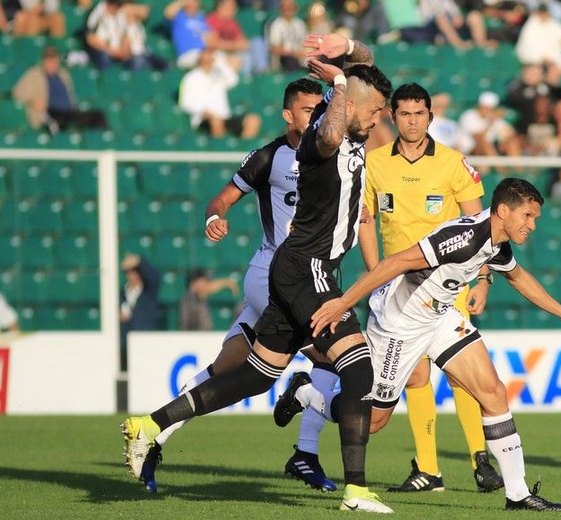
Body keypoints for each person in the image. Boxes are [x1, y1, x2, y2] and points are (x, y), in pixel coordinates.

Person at [121, 33, 396, 513]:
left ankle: (150, 424)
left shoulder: (354, 121)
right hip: (303, 271)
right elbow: (334, 127)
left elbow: (368, 80)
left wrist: (348, 48)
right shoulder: (322, 138)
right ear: (347, 105)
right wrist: (336, 83)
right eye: (373, 113)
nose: (378, 122)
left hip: (301, 270)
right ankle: (355, 488)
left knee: (252, 375)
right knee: (359, 368)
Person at [277, 177, 561, 511]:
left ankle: (518, 494)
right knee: (374, 421)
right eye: (527, 216)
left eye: (534, 218)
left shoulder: (496, 242)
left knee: (493, 392)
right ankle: (304, 392)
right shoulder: (463, 238)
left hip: (440, 317)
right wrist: (344, 303)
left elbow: (518, 277)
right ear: (503, 211)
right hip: (399, 323)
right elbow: (397, 262)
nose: (532, 225)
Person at [281, 82, 504, 493]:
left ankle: (480, 459)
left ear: (430, 117)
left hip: (446, 287)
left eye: (420, 114)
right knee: (415, 379)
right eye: (404, 114)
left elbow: (483, 226)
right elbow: (364, 220)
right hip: (398, 291)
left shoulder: (455, 163)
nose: (413, 121)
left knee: (461, 378)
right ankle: (429, 469)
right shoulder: (375, 163)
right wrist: (375, 275)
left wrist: (485, 278)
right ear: (392, 117)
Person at [134, 77, 333, 493]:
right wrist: (213, 218)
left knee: (224, 371)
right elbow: (221, 199)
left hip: (308, 278)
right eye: (306, 109)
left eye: (320, 109)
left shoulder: (334, 156)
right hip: (274, 277)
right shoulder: (269, 157)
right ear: (288, 114)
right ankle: (305, 444)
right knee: (337, 358)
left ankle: (152, 435)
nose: (314, 116)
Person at [12, 46, 109, 133]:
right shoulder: (34, 74)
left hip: (69, 112)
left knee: (98, 116)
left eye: (54, 59)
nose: (52, 63)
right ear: (43, 61)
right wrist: (32, 101)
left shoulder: (63, 74)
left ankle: (104, 148)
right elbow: (16, 93)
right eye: (48, 60)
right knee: (61, 123)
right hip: (51, 114)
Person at [178, 47, 262, 139]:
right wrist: (203, 111)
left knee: (253, 120)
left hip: (225, 117)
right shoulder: (190, 78)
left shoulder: (218, 74)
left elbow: (233, 80)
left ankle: (245, 150)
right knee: (216, 122)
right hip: (203, 118)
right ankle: (219, 147)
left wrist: (220, 62)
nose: (209, 57)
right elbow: (184, 103)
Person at [85, 0, 168, 71]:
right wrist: (111, 50)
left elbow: (127, 40)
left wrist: (122, 51)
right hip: (105, 51)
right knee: (104, 58)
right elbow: (90, 37)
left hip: (125, 53)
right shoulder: (97, 12)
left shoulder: (124, 13)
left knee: (156, 63)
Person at [119, 254, 164, 371]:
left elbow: (154, 275)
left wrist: (139, 261)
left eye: (137, 271)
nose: (134, 275)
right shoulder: (121, 294)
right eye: (130, 272)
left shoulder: (148, 293)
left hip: (145, 343)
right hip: (125, 345)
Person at [207, 0, 269, 75]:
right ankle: (245, 81)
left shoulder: (232, 22)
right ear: (221, 6)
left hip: (235, 51)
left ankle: (262, 72)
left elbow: (241, 39)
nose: (234, 8)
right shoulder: (212, 19)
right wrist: (234, 46)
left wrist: (243, 44)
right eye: (232, 5)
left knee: (258, 41)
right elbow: (213, 43)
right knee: (246, 58)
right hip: (221, 54)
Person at [266, 0, 307, 71]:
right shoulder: (276, 24)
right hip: (284, 58)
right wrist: (293, 53)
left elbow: (305, 43)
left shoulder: (300, 23)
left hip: (300, 56)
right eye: (285, 7)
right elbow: (274, 48)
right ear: (281, 9)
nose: (288, 10)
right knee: (290, 60)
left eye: (291, 7)